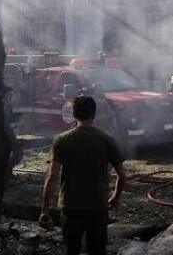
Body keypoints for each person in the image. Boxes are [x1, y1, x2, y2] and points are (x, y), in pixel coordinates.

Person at [39, 96, 126, 255]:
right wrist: (115, 197)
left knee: (72, 250)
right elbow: (122, 174)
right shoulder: (106, 140)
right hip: (98, 207)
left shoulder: (62, 140)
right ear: (94, 114)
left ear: (74, 114)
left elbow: (52, 176)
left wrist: (44, 211)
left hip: (71, 207)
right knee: (97, 250)